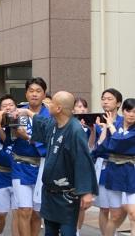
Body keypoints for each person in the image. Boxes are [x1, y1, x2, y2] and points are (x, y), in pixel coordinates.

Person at [20, 91, 97, 235]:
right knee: (50, 231)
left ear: (59, 108)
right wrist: (27, 112)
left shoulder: (75, 130)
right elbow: (43, 123)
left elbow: (83, 161)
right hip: (50, 192)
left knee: (68, 231)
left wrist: (86, 192)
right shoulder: (54, 124)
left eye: (52, 103)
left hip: (67, 194)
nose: (48, 104)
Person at [12, 77, 50, 236]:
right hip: (20, 165)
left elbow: (48, 139)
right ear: (26, 94)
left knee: (37, 213)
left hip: (42, 167)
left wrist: (27, 137)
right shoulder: (17, 112)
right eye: (31, 91)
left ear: (44, 94)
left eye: (38, 91)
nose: (34, 94)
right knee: (24, 210)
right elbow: (8, 138)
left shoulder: (50, 114)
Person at [96, 98, 135, 236]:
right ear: (123, 111)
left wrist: (111, 127)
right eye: (128, 111)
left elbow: (121, 141)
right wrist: (105, 129)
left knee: (133, 213)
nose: (131, 114)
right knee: (115, 215)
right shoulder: (114, 124)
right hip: (114, 171)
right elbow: (104, 146)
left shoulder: (117, 126)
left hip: (132, 172)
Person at [92, 88, 127, 233]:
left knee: (119, 209)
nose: (105, 101)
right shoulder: (96, 121)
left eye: (109, 99)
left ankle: (111, 231)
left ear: (118, 103)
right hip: (103, 167)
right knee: (104, 208)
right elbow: (93, 147)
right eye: (103, 98)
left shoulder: (124, 121)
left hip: (120, 167)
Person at [0, 95, 20, 236]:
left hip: (18, 173)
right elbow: (5, 141)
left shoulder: (20, 123)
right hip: (0, 174)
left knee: (17, 212)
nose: (8, 107)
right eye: (4, 105)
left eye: (11, 104)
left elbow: (9, 141)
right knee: (1, 213)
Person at [72, 97, 91, 236]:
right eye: (78, 106)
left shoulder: (90, 126)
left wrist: (92, 129)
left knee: (81, 205)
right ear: (72, 109)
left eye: (84, 106)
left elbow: (91, 146)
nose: (82, 109)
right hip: (70, 167)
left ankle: (77, 231)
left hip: (84, 168)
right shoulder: (69, 124)